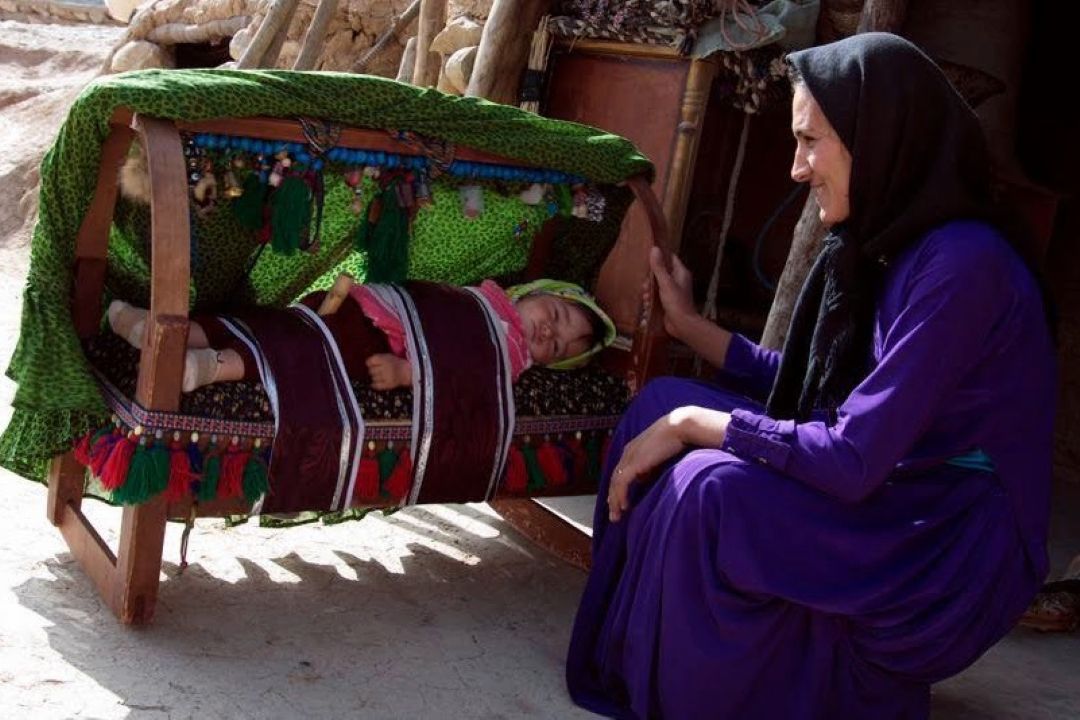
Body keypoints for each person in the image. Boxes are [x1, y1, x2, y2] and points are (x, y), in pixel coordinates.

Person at [565, 32, 1056, 719]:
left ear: (880, 138)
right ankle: (636, 662)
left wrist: (697, 428)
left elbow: (851, 454)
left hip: (947, 543)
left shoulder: (962, 266)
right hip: (898, 486)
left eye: (811, 141)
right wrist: (688, 329)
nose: (796, 168)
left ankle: (706, 693)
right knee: (661, 401)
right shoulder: (885, 245)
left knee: (706, 483)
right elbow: (817, 390)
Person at [106, 275, 615, 392]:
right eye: (553, 313)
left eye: (554, 346)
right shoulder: (485, 295)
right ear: (535, 292)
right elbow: (435, 303)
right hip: (366, 307)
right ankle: (169, 330)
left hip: (380, 345)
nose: (547, 331)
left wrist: (407, 372)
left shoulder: (509, 356)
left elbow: (464, 374)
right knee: (281, 321)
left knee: (303, 353)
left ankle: (210, 366)